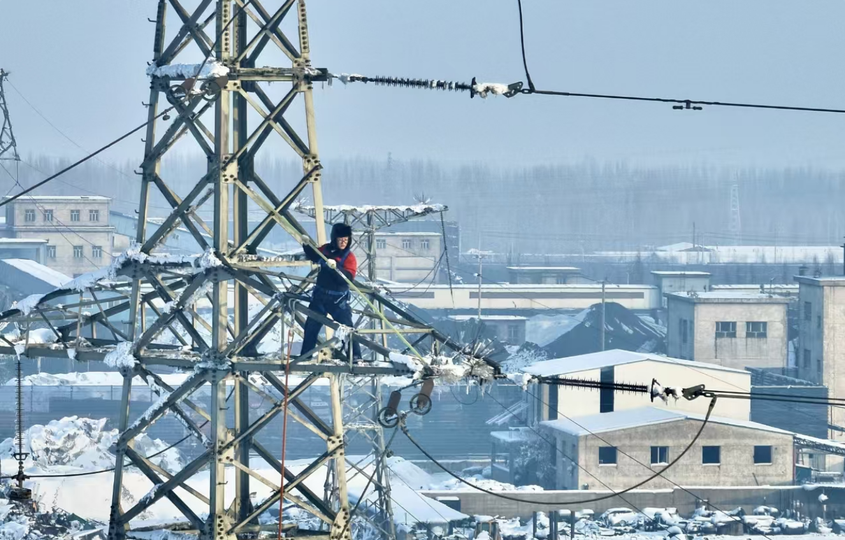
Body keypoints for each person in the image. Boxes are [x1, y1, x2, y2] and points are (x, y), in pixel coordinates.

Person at [301, 223, 363, 361]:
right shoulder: (326, 250)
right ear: (334, 239)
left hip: (337, 300)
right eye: (341, 239)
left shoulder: (349, 257)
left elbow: (347, 279)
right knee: (311, 326)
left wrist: (336, 269)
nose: (343, 242)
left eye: (346, 240)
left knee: (347, 329)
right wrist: (306, 245)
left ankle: (355, 357)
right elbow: (314, 255)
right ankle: (306, 355)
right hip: (320, 296)